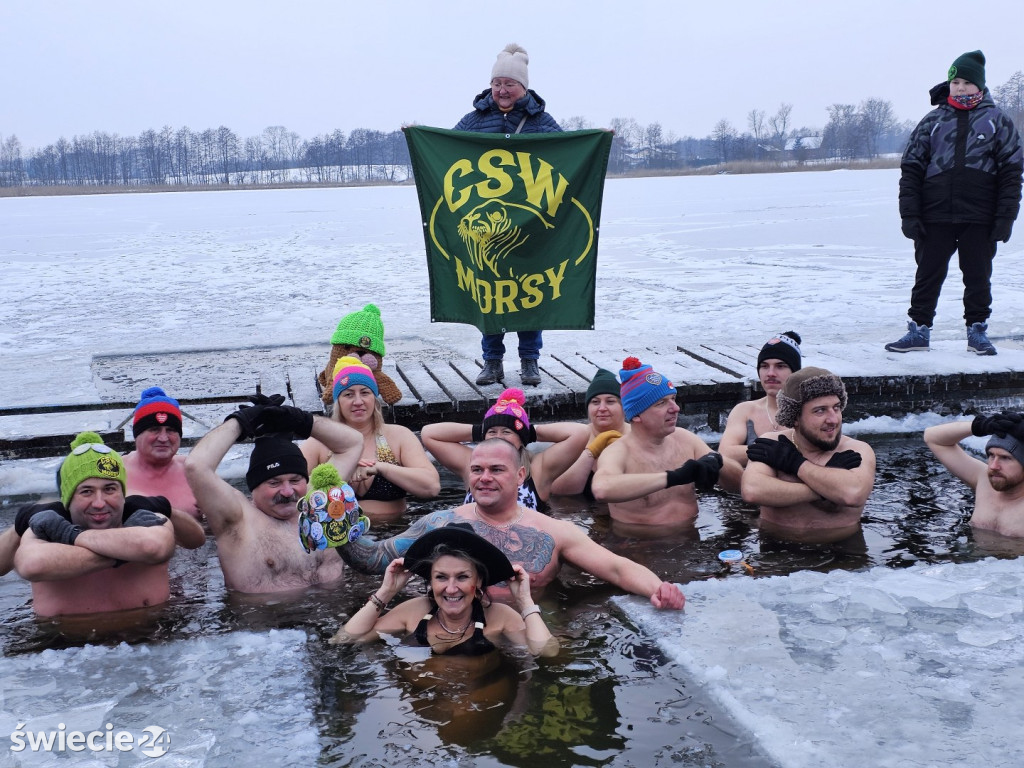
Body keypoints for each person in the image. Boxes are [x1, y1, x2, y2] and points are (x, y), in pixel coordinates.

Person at [334, 438, 685, 610]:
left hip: (530, 630)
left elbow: (617, 568)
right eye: (477, 470)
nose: (484, 478)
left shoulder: (554, 532)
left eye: (496, 470)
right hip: (454, 632)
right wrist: (334, 527)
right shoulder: (440, 523)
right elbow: (374, 560)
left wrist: (658, 589)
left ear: (520, 475)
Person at [886, 50, 1023, 356]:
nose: (960, 87)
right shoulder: (932, 121)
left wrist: (1006, 217)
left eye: (966, 82)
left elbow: (1012, 173)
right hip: (934, 215)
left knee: (977, 275)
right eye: (955, 82)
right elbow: (911, 170)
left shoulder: (997, 121)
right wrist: (909, 214)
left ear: (980, 86)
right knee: (927, 273)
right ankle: (918, 330)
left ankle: (977, 331)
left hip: (980, 215)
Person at [454, 43, 562, 387]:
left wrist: (598, 141)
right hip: (485, 224)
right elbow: (446, 148)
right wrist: (417, 136)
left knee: (529, 292)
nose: (502, 90)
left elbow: (567, 151)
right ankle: (492, 362)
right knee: (489, 291)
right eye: (497, 83)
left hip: (529, 225)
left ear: (523, 88)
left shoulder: (541, 121)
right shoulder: (474, 120)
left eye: (509, 84)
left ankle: (530, 361)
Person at [184, 394, 363, 592]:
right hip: (268, 618)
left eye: (295, 480)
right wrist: (241, 422)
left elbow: (353, 443)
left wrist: (303, 420)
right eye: (274, 483)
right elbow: (196, 466)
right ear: (254, 488)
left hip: (337, 613)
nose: (287, 492)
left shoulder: (318, 500)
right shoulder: (237, 518)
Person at [12, 431, 176, 617]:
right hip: (62, 644)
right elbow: (33, 564)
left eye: (110, 489)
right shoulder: (44, 526)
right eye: (86, 491)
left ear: (123, 495)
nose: (99, 503)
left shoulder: (148, 518)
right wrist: (128, 548)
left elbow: (152, 546)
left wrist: (69, 535)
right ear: (67, 500)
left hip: (151, 638)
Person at [332, 523, 557, 657]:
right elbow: (344, 640)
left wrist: (525, 601)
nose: (451, 588)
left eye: (462, 577)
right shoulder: (412, 612)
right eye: (441, 577)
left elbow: (546, 652)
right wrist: (386, 592)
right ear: (430, 579)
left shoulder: (499, 617)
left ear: (478, 581)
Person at [741, 367, 876, 543]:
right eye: (820, 410)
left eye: (836, 408)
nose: (833, 419)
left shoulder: (856, 450)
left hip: (843, 555)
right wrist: (828, 489)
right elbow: (752, 491)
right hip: (776, 551)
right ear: (795, 417)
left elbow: (853, 494)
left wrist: (796, 464)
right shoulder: (774, 444)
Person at [590, 357, 727, 528]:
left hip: (691, 542)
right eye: (661, 403)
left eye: (673, 399)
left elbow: (740, 485)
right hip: (641, 548)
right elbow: (602, 489)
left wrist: (717, 461)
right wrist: (674, 477)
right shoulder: (618, 452)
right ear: (637, 415)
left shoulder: (684, 438)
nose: (675, 408)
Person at [302, 357, 440, 523]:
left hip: (395, 532)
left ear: (375, 399)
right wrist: (337, 475)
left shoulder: (399, 436)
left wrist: (380, 468)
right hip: (338, 537)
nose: (358, 401)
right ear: (338, 401)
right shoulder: (318, 443)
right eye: (348, 394)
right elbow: (294, 492)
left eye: (365, 393)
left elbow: (432, 487)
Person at [420, 387, 588, 511]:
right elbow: (429, 434)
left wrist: (527, 432)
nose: (498, 436)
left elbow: (579, 433)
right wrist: (482, 430)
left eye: (507, 432)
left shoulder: (538, 469)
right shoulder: (472, 464)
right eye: (492, 432)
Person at [122, 386, 206, 549]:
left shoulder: (194, 470)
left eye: (171, 430)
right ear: (137, 433)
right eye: (154, 429)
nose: (163, 438)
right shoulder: (115, 470)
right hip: (137, 561)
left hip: (192, 563)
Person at [718, 332, 802, 492]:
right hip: (747, 495)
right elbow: (726, 453)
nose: (770, 373)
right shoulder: (745, 410)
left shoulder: (808, 413)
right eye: (764, 366)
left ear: (795, 372)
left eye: (780, 366)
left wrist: (756, 451)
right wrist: (776, 452)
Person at [923, 410, 1024, 537]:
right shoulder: (983, 480)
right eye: (991, 455)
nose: (993, 466)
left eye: (1005, 458)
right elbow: (932, 437)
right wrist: (981, 425)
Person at [549, 368, 629, 497]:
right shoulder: (575, 437)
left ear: (624, 406)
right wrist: (591, 452)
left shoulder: (638, 436)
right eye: (595, 402)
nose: (602, 408)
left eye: (610, 401)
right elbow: (558, 491)